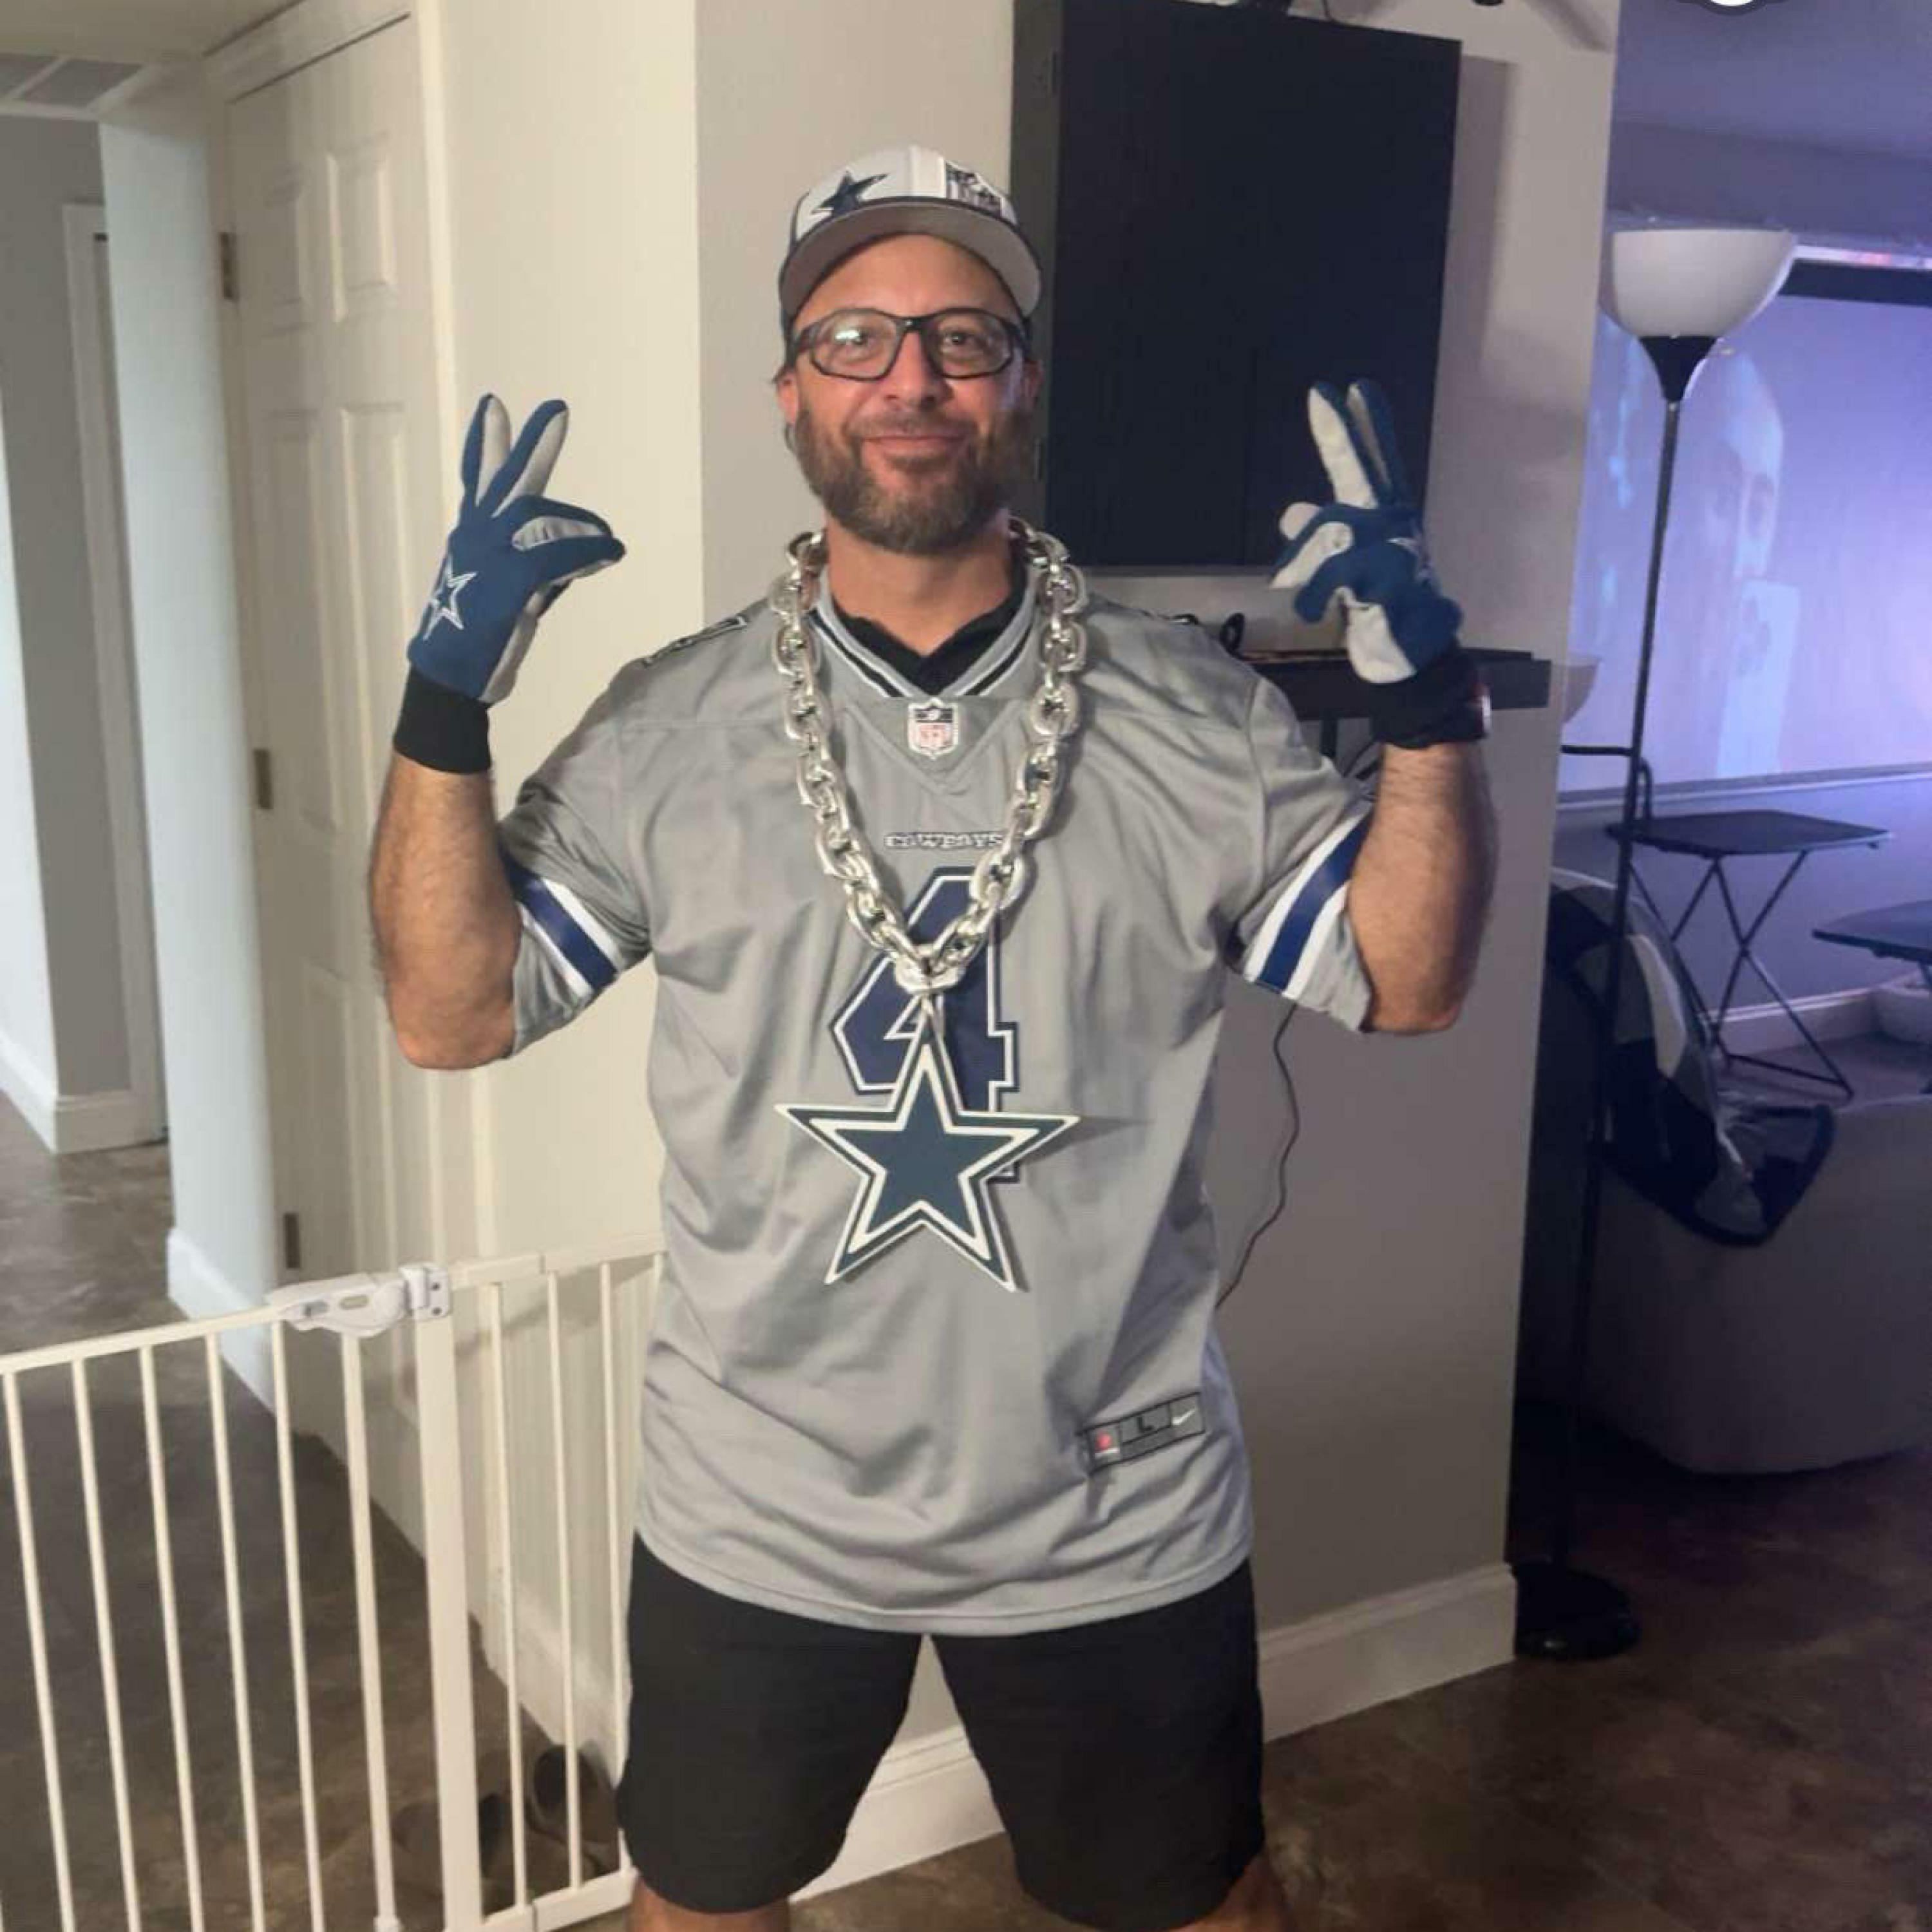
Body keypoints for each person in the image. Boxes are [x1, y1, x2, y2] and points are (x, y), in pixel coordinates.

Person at [369, 144, 1496, 1932]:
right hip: (759, 1496)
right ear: (791, 391)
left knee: (1197, 1904)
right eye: (857, 337)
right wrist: (443, 702)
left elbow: (1408, 980)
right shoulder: (667, 728)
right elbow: (451, 1011)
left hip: (1110, 1493)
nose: (911, 379)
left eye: (965, 338)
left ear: (1021, 386)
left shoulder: (1191, 711)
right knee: (703, 1904)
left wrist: (1431, 706)